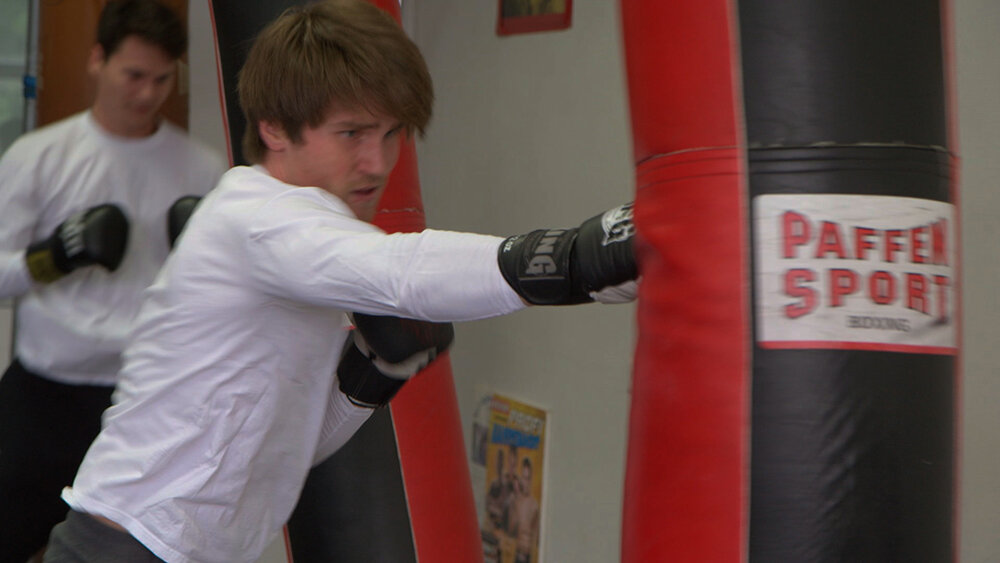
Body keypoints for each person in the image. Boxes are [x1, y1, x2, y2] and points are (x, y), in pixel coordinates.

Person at [44, 1, 638, 561]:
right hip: (124, 546)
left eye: (391, 133)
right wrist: (579, 259)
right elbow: (401, 270)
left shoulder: (304, 249)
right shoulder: (259, 217)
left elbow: (291, 449)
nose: (378, 164)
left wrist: (372, 374)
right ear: (276, 128)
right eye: (352, 134)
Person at [0, 1, 226, 561]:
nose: (147, 93)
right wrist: (53, 256)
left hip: (142, 410)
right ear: (97, 61)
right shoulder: (39, 156)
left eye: (161, 78)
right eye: (133, 75)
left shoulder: (204, 171)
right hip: (42, 397)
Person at [507, 457, 542, 563]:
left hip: (528, 557)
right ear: (521, 478)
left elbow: (537, 538)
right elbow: (510, 530)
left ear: (531, 479)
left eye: (528, 478)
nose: (526, 482)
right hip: (516, 554)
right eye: (524, 477)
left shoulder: (535, 506)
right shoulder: (516, 501)